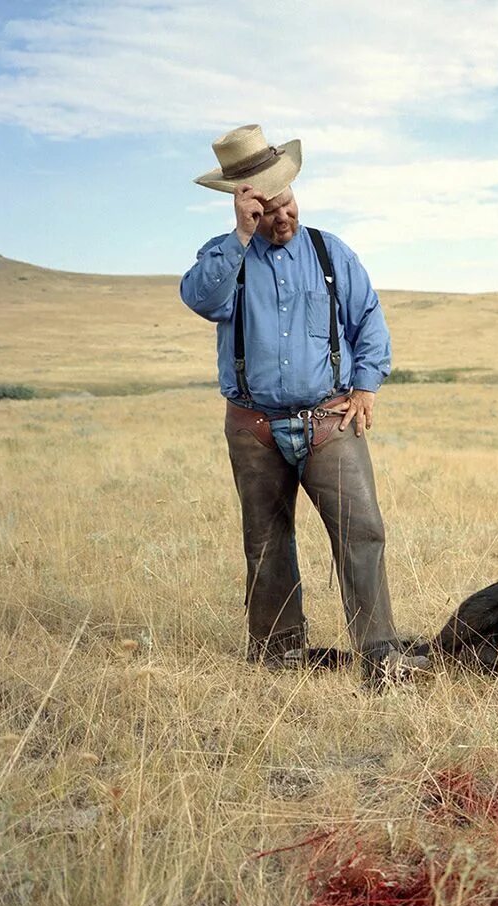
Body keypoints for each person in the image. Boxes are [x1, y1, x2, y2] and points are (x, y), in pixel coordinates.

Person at [180, 124, 425, 682]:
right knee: (265, 540)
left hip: (328, 421)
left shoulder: (329, 252)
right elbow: (201, 299)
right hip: (253, 426)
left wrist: (365, 386)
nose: (281, 216)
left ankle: (378, 655)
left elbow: (369, 321)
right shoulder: (224, 259)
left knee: (361, 530)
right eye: (265, 211)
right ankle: (278, 654)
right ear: (245, 210)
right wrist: (238, 240)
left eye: (285, 201)